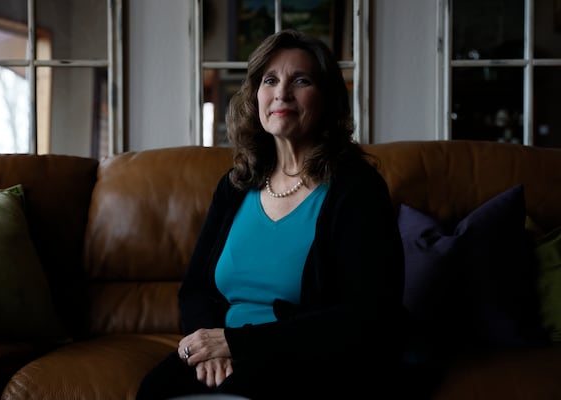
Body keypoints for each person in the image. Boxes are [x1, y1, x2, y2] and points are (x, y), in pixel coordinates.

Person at [136, 29, 406, 399]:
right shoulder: (235, 186)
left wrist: (236, 343)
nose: (282, 92)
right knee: (153, 390)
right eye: (270, 80)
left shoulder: (356, 189)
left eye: (301, 80)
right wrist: (205, 350)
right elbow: (195, 289)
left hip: (304, 358)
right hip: (226, 353)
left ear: (326, 98)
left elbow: (364, 316)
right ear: (256, 96)